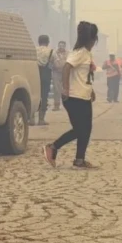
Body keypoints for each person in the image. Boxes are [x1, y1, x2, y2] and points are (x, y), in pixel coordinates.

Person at [43, 21, 99, 169]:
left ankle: (79, 159)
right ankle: (53, 147)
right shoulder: (79, 53)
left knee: (86, 129)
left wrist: (90, 90)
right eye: (94, 40)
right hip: (74, 97)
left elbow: (82, 74)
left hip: (84, 96)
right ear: (91, 40)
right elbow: (67, 68)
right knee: (80, 129)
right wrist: (66, 89)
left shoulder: (86, 53)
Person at [35, 35, 54, 125]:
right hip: (46, 75)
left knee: (34, 95)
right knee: (44, 96)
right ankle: (41, 119)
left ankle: (31, 119)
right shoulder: (50, 51)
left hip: (35, 74)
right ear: (48, 42)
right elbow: (53, 63)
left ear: (39, 41)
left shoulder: (34, 50)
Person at [51, 41, 68, 111]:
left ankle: (68, 106)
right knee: (56, 89)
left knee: (66, 89)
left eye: (62, 45)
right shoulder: (54, 53)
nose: (61, 47)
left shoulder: (68, 54)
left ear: (65, 46)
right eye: (60, 45)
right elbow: (50, 62)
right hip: (56, 73)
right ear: (58, 46)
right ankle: (56, 105)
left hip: (65, 73)